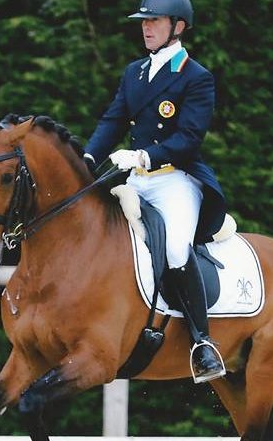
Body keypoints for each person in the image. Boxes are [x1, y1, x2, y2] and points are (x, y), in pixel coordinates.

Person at [83, 0, 227, 383]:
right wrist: (86, 157)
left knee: (177, 248)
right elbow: (112, 120)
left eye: (155, 21)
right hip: (135, 179)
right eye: (143, 21)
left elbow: (189, 138)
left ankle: (202, 342)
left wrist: (145, 154)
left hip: (174, 179)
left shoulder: (195, 76)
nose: (146, 28)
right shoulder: (135, 73)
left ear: (178, 26)